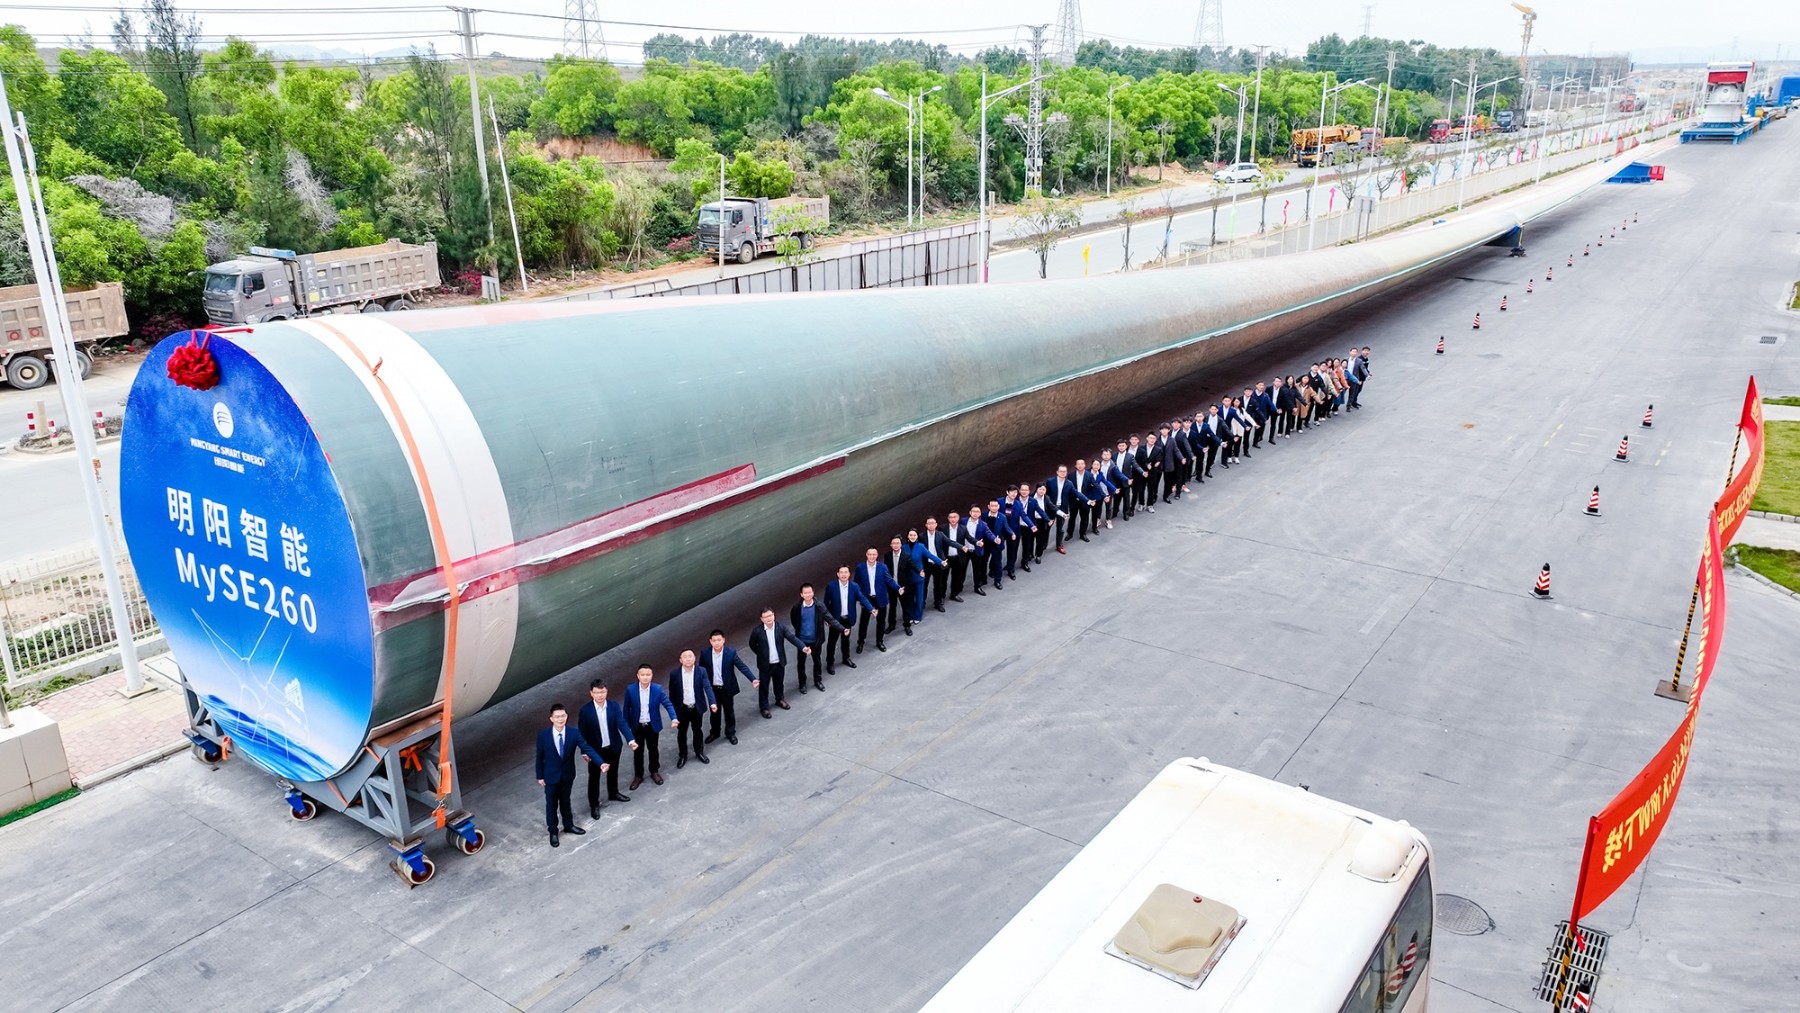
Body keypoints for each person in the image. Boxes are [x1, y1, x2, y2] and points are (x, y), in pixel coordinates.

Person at [536, 703, 607, 847]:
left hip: (567, 775)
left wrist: (601, 763)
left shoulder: (573, 733)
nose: (560, 719)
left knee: (565, 801)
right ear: (551, 719)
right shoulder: (543, 736)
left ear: (566, 716)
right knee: (551, 805)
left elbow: (587, 748)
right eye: (557, 717)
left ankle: (568, 825)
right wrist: (540, 776)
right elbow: (539, 757)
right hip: (550, 776)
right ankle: (553, 832)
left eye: (562, 716)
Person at [578, 681, 636, 817]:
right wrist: (584, 752)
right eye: (597, 692)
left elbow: (621, 723)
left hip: (613, 746)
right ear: (591, 693)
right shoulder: (585, 711)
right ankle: (594, 804)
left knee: (613, 771)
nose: (600, 695)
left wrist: (630, 739)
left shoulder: (613, 706)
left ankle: (613, 793)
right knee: (594, 777)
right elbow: (582, 733)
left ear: (606, 692)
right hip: (595, 751)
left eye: (602, 692)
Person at [624, 664, 678, 790]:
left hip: (652, 725)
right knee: (638, 752)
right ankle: (638, 776)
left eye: (648, 674)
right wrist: (627, 728)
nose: (645, 677)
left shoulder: (657, 689)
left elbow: (667, 704)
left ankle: (654, 771)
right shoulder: (631, 689)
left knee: (653, 749)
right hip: (637, 726)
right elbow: (626, 709)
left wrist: (674, 718)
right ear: (638, 676)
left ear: (652, 675)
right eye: (642, 675)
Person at [747, 608, 806, 716]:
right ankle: (764, 707)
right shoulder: (757, 631)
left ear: (774, 615)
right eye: (765, 617)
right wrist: (761, 654)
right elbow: (752, 644)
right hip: (765, 664)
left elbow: (792, 638)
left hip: (779, 662)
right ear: (761, 619)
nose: (768, 618)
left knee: (779, 683)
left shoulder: (781, 627)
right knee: (764, 686)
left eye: (770, 615)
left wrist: (803, 647)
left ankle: (780, 699)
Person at [704, 629, 756, 745]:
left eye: (719, 640)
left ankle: (730, 732)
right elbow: (702, 671)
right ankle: (715, 732)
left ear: (723, 640)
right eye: (714, 640)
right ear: (710, 641)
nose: (717, 643)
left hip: (726, 688)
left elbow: (741, 666)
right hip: (713, 689)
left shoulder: (730, 653)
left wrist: (752, 679)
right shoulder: (705, 654)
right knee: (714, 713)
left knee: (729, 712)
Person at [666, 649, 716, 767]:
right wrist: (673, 713)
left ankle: (699, 752)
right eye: (685, 657)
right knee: (682, 732)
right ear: (680, 660)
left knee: (697, 730)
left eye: (690, 656)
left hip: (696, 707)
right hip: (682, 709)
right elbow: (672, 693)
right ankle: (683, 755)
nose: (688, 659)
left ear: (694, 658)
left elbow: (707, 687)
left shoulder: (701, 671)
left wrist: (712, 702)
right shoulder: (674, 674)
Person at [789, 583, 837, 691]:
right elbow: (794, 621)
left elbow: (829, 618)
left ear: (813, 593)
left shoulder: (819, 606)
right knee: (801, 663)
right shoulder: (797, 607)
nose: (808, 594)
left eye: (809, 592)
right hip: (802, 641)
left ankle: (818, 680)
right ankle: (802, 683)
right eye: (805, 593)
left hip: (816, 640)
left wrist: (842, 628)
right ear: (801, 594)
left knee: (817, 661)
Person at [822, 567, 870, 673]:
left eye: (846, 572)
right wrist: (826, 618)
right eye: (841, 572)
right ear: (838, 574)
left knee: (846, 640)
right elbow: (826, 603)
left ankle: (846, 658)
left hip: (848, 618)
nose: (843, 574)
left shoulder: (854, 586)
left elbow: (862, 598)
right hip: (835, 619)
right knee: (832, 642)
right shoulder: (831, 586)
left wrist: (871, 608)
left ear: (849, 574)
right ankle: (830, 663)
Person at [855, 547, 902, 650]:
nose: (872, 556)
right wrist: (859, 597)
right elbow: (857, 584)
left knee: (881, 622)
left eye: (874, 554)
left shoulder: (883, 567)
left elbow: (889, 580)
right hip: (867, 599)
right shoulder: (860, 567)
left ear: (877, 555)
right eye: (870, 554)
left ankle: (879, 641)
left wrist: (898, 588)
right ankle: (861, 642)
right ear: (866, 555)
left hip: (880, 598)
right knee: (864, 622)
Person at [901, 528, 940, 624]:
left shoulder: (921, 546)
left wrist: (941, 562)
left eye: (914, 535)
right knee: (909, 598)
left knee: (919, 597)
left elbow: (930, 555)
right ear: (907, 536)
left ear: (917, 536)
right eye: (910, 535)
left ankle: (918, 616)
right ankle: (911, 615)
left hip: (919, 575)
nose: (912, 537)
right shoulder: (903, 547)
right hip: (908, 577)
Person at [1045, 464, 1080, 554]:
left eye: (1064, 471)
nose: (1063, 473)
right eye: (1061, 471)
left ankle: (1059, 545)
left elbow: (1076, 494)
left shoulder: (1069, 483)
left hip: (1063, 508)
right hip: (1051, 508)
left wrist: (1087, 500)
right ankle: (1043, 544)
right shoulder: (1050, 481)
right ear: (1057, 472)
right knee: (1047, 527)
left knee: (1060, 528)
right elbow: (1045, 494)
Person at [884, 536, 913, 637]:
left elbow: (909, 573)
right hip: (892, 586)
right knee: (892, 607)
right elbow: (886, 572)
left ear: (901, 544)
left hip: (903, 587)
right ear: (890, 545)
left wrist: (905, 587)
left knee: (905, 607)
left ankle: (907, 625)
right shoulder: (887, 556)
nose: (896, 545)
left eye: (898, 543)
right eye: (894, 543)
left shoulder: (906, 556)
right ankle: (891, 625)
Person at [921, 516, 951, 611]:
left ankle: (938, 603)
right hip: (926, 565)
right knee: (924, 585)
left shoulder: (940, 534)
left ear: (936, 524)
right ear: (926, 525)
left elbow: (949, 542)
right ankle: (922, 603)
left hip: (938, 564)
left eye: (932, 523)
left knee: (938, 585)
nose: (931, 525)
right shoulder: (921, 536)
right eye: (929, 523)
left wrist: (961, 547)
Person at [945, 510, 971, 602]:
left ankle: (954, 594)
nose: (953, 519)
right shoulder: (943, 528)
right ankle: (941, 596)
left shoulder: (963, 528)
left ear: (958, 518)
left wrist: (977, 542)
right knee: (943, 578)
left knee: (956, 577)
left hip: (958, 557)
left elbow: (969, 538)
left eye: (955, 517)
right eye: (951, 517)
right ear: (948, 518)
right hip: (946, 558)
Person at [1028, 483, 1053, 562]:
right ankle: (1030, 554)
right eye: (1040, 489)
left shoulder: (1047, 498)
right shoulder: (1031, 497)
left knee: (1040, 539)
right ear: (1036, 489)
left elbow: (1051, 507)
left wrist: (1050, 519)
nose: (1042, 491)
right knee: (1030, 539)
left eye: (1044, 490)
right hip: (1032, 521)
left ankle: (1038, 555)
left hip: (1041, 521)